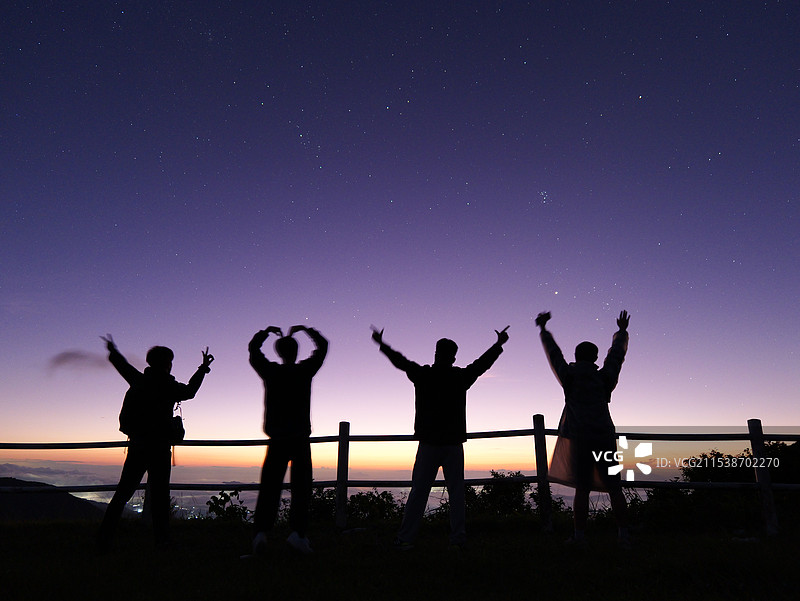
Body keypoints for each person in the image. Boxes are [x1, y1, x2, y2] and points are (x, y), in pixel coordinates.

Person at [371, 325, 509, 549]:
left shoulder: (424, 375)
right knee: (456, 493)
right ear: (454, 357)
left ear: (436, 354)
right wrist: (498, 345)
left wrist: (382, 344)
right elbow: (481, 365)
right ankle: (458, 538)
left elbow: (401, 361)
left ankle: (406, 538)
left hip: (429, 444)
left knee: (419, 492)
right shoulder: (460, 377)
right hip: (453, 444)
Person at [97, 335, 214, 551]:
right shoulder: (169, 387)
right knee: (160, 496)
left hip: (139, 445)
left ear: (150, 362)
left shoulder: (139, 380)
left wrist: (113, 350)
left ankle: (103, 538)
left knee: (123, 493)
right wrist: (203, 369)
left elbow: (122, 366)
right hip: (160, 448)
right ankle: (162, 540)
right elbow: (190, 391)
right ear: (167, 364)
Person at [535, 310, 630, 547]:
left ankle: (579, 537)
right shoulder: (605, 378)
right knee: (615, 488)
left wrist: (544, 331)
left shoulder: (569, 377)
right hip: (604, 437)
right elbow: (616, 357)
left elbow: (555, 356)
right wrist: (621, 332)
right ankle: (624, 535)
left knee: (582, 489)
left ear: (576, 357)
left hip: (578, 438)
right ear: (596, 357)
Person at [248, 325, 328, 555]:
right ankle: (297, 535)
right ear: (295, 352)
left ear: (279, 352)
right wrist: (306, 330)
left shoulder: (271, 372)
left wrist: (263, 332)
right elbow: (322, 347)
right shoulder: (304, 371)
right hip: (300, 438)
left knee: (269, 488)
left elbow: (254, 351)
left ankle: (261, 534)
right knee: (301, 488)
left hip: (277, 439)